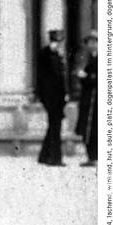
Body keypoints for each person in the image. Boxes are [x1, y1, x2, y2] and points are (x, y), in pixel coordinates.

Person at [35, 28, 68, 167]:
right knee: (55, 127)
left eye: (59, 41)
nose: (58, 44)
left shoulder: (57, 55)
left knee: (54, 126)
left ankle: (44, 156)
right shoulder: (46, 54)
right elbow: (44, 77)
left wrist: (65, 94)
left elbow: (62, 78)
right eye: (56, 41)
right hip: (50, 97)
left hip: (58, 97)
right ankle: (55, 158)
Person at [75, 29, 97, 167]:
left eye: (94, 42)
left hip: (95, 100)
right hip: (88, 99)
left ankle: (94, 157)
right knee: (87, 129)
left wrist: (85, 77)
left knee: (93, 129)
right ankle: (91, 157)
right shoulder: (90, 58)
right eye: (89, 43)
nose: (91, 45)